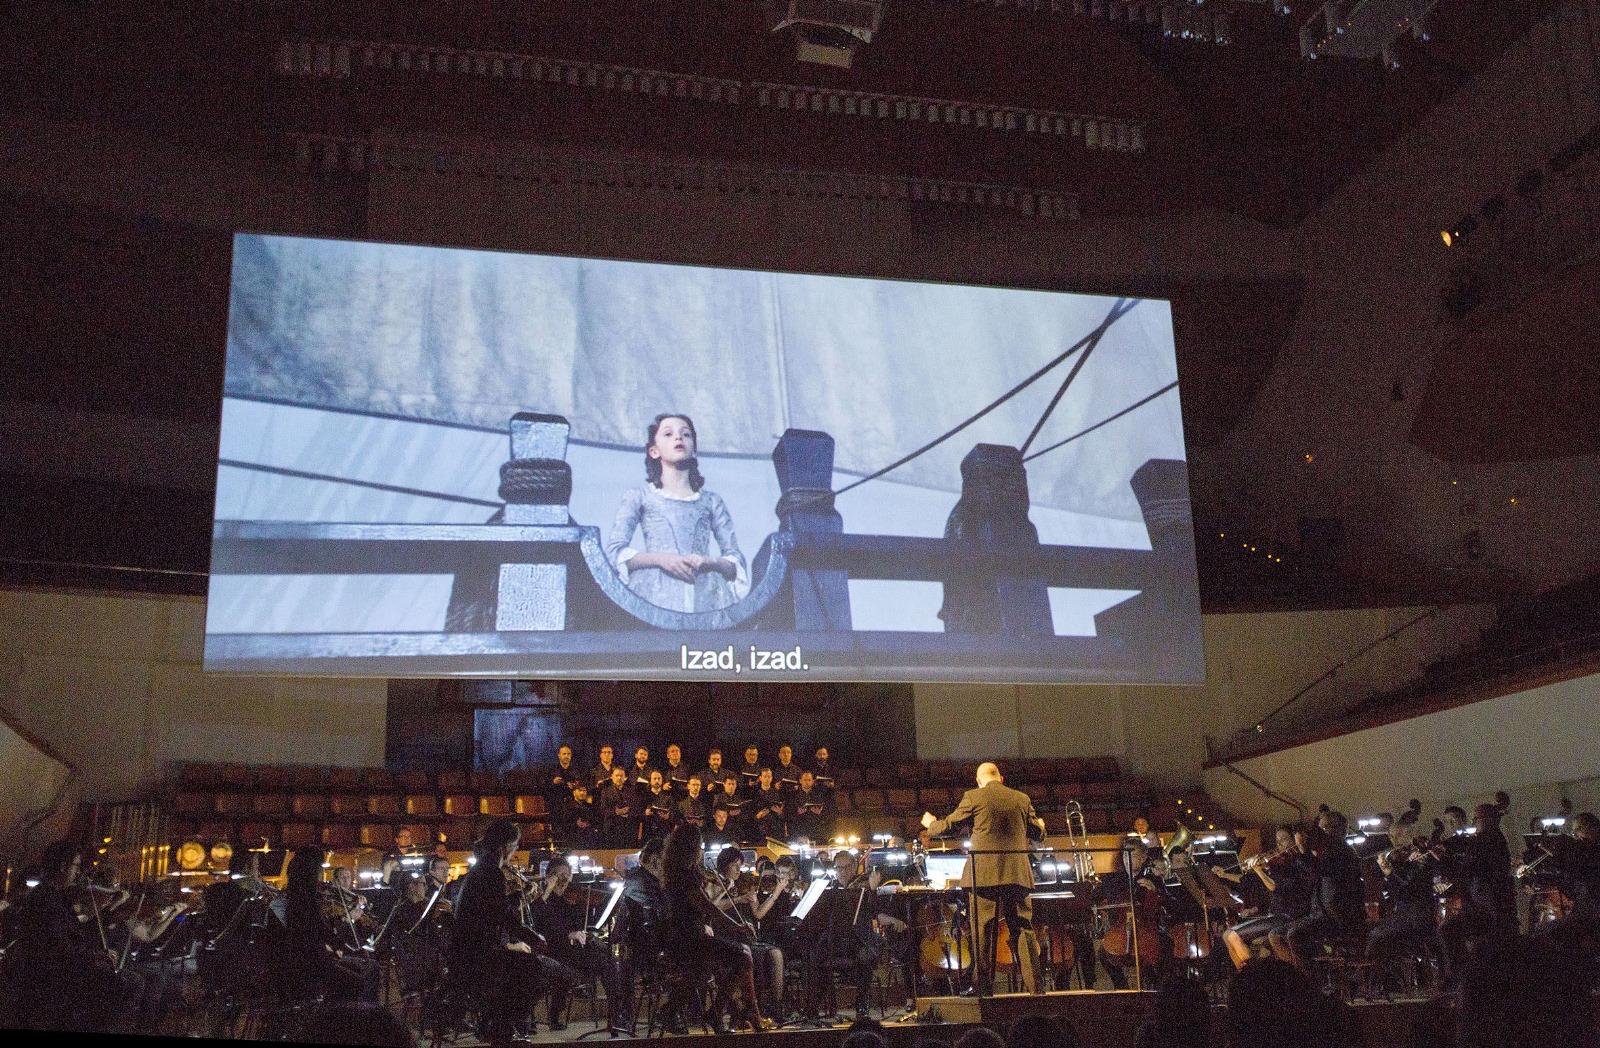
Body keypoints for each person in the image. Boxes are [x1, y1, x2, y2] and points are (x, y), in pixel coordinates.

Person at [604, 412, 749, 613]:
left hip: (708, 596)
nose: (678, 438)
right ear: (654, 451)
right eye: (668, 434)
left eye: (686, 434)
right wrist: (662, 559)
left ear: (694, 450)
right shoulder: (639, 496)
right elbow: (615, 552)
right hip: (654, 594)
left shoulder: (711, 501)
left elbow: (735, 561)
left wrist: (710, 562)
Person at [922, 762, 1045, 994]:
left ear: (978, 781)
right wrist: (1041, 825)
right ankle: (1036, 989)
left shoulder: (973, 797)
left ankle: (984, 992)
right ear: (1001, 778)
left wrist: (931, 825)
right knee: (1024, 931)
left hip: (984, 875)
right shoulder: (1022, 798)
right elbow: (1038, 832)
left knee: (983, 933)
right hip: (1017, 874)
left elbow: (949, 826)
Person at [448, 819, 574, 1045]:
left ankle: (495, 1023)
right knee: (533, 967)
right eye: (515, 846)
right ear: (504, 846)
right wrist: (532, 936)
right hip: (475, 954)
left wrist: (516, 901)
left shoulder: (482, 870)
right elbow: (501, 916)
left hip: (469, 951)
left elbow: (496, 910)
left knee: (530, 966)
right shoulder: (490, 872)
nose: (515, 851)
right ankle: (499, 1028)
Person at [0, 840, 136, 1032]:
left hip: (58, 970)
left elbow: (72, 935)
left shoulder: (54, 897)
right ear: (63, 866)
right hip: (48, 977)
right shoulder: (46, 899)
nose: (78, 872)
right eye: (76, 866)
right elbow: (58, 947)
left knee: (123, 982)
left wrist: (100, 941)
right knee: (119, 984)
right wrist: (95, 956)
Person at [659, 825, 773, 1031]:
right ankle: (734, 1012)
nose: (702, 851)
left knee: (741, 957)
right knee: (743, 955)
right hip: (689, 940)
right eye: (700, 846)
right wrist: (738, 926)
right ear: (691, 847)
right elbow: (708, 907)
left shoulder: (678, 872)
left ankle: (721, 1012)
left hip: (686, 938)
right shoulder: (684, 876)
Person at [529, 853, 622, 1030]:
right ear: (550, 876)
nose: (564, 879)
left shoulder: (569, 900)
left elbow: (577, 925)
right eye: (559, 875)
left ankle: (616, 1012)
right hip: (549, 951)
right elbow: (537, 923)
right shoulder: (540, 899)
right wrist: (548, 891)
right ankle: (616, 1012)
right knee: (597, 957)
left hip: (570, 952)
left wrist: (581, 924)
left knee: (605, 955)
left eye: (567, 875)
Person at [282, 848, 379, 1002]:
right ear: (310, 872)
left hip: (314, 957)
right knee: (356, 981)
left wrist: (345, 947)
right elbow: (313, 933)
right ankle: (337, 1019)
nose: (321, 875)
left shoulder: (302, 896)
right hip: (306, 963)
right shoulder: (302, 901)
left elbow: (321, 929)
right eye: (319, 870)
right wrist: (336, 948)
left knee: (367, 968)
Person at [1438, 802, 1516, 987]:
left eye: (1476, 819)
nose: (1474, 823)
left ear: (1487, 820)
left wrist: (1442, 859)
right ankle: (1466, 975)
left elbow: (1466, 871)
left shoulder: (1486, 841)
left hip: (1488, 911)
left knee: (1448, 929)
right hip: (1486, 907)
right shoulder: (1492, 839)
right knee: (1451, 928)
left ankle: (1461, 978)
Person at [1217, 827, 1314, 970]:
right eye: (1277, 841)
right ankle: (1247, 975)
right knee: (1227, 935)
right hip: (1275, 914)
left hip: (1288, 916)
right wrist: (1224, 875)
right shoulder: (1278, 864)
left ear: (1295, 840)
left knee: (1231, 935)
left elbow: (1274, 886)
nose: (1280, 844)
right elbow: (1248, 880)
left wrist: (1259, 870)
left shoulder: (1298, 864)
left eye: (1284, 839)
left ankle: (1253, 974)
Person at [753, 767, 787, 842]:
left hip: (775, 830)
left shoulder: (778, 794)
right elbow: (751, 813)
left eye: (769, 776)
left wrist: (780, 812)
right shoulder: (754, 794)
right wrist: (757, 816)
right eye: (765, 776)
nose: (767, 778)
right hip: (760, 830)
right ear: (760, 778)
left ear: (771, 778)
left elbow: (784, 814)